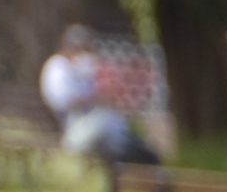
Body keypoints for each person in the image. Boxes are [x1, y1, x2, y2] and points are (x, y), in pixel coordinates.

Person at [39, 26, 155, 166]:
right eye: (82, 47)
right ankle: (131, 157)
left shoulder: (79, 65)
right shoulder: (57, 67)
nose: (84, 52)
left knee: (114, 123)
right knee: (105, 122)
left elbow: (100, 86)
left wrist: (106, 92)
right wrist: (96, 98)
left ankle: (140, 157)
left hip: (90, 120)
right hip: (71, 125)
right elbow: (65, 102)